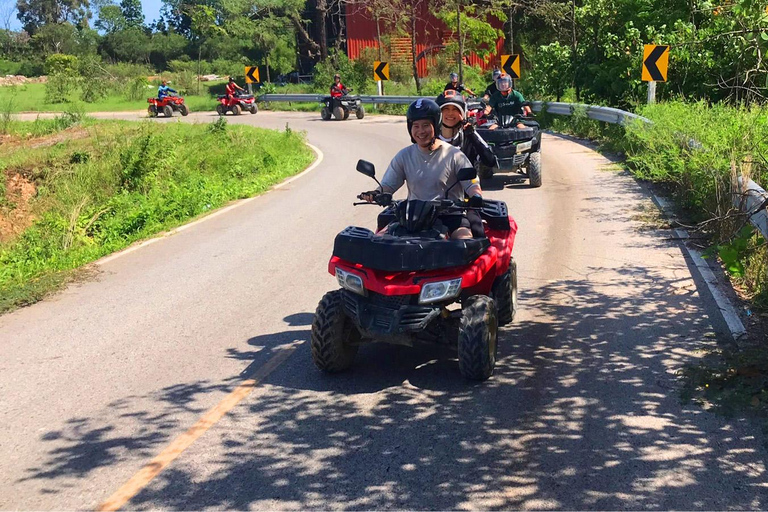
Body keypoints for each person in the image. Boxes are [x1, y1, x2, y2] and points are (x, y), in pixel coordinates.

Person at [360, 99, 483, 240]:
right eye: (416, 126)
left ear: (435, 126)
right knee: (379, 241)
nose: (420, 131)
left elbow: (472, 184)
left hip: (450, 216)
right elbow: (388, 185)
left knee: (465, 243)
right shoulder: (404, 156)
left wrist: (475, 196)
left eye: (425, 125)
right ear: (409, 128)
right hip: (413, 217)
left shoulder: (454, 155)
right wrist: (377, 193)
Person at [436, 89, 496, 170]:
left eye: (455, 109)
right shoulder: (431, 137)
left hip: (465, 182)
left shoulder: (468, 136)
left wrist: (472, 136)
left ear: (463, 113)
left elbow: (490, 161)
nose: (450, 113)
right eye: (446, 109)